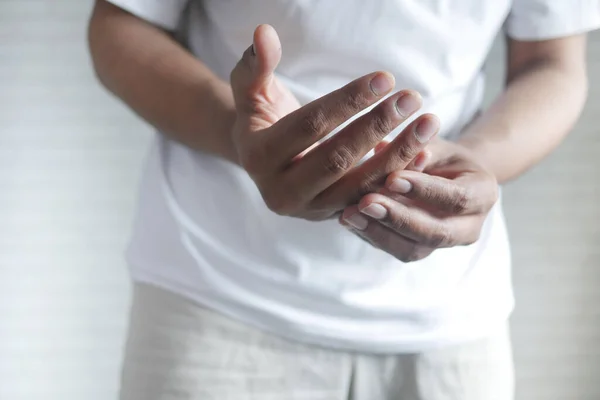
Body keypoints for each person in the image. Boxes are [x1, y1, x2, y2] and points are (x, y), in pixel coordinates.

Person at [88, 1, 599, 399]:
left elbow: (552, 62)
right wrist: (237, 132)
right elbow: (121, 24)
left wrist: (475, 161)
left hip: (447, 318)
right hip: (216, 295)